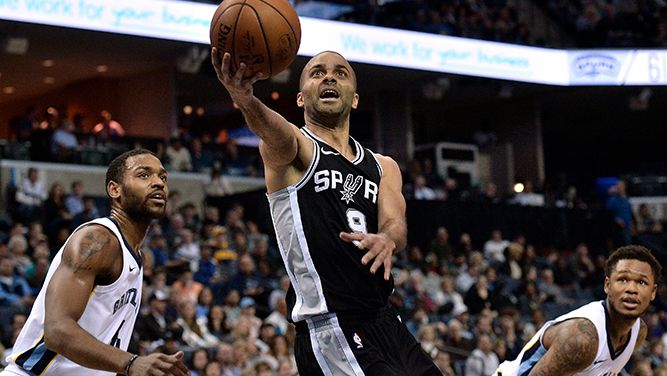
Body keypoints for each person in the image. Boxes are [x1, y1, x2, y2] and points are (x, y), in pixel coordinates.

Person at [212, 48, 440, 375]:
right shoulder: (294, 151)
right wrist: (245, 99)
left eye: (340, 73)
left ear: (356, 99)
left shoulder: (383, 166)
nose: (329, 76)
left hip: (387, 321)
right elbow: (273, 130)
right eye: (317, 72)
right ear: (301, 98)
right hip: (332, 327)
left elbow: (395, 223)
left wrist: (388, 238)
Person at [2, 149, 189, 376]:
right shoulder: (97, 241)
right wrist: (131, 363)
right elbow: (57, 331)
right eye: (143, 175)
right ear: (114, 189)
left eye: (163, 177)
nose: (158, 183)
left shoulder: (137, 257)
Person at [495, 245, 661, 376]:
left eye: (641, 282)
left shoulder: (638, 332)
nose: (631, 289)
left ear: (653, 292)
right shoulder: (582, 338)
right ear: (607, 285)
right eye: (623, 279)